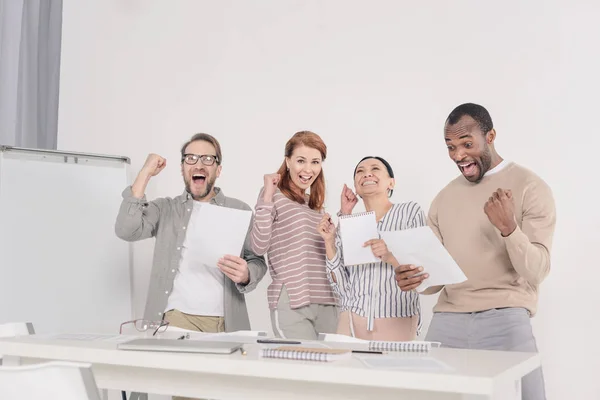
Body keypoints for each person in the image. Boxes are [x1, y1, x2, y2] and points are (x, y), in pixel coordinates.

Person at [395, 103, 555, 400]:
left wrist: (509, 230)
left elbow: (538, 270)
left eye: (467, 144)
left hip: (506, 318)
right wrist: (414, 279)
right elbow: (436, 277)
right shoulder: (444, 198)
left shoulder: (530, 187)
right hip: (448, 321)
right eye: (450, 146)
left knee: (530, 396)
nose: (458, 155)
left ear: (490, 136)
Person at [115, 133, 266, 336]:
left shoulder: (239, 210)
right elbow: (126, 229)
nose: (198, 164)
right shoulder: (165, 208)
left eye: (208, 159)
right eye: (191, 158)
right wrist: (145, 174)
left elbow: (257, 260)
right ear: (183, 168)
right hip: (176, 320)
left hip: (227, 324)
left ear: (218, 169)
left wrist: (247, 273)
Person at [317, 156, 425, 341]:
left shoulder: (410, 212)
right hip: (351, 320)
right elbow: (341, 287)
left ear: (391, 183)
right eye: (360, 171)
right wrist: (329, 241)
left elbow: (423, 266)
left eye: (375, 168)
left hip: (396, 319)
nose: (367, 173)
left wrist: (390, 255)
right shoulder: (350, 223)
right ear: (356, 187)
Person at [250, 131, 338, 339]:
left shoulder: (316, 205)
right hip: (293, 300)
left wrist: (344, 217)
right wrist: (268, 195)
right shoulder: (273, 196)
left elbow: (330, 256)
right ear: (287, 161)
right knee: (303, 368)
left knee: (332, 368)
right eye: (301, 160)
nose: (308, 169)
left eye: (315, 162)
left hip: (328, 300)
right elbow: (258, 246)